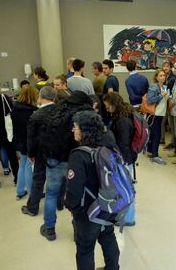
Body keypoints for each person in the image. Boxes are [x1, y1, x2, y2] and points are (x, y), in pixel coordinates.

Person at [65, 111, 120, 270]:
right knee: (108, 237)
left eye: (75, 127)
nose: (73, 130)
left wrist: (73, 208)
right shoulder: (109, 145)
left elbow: (74, 190)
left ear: (83, 130)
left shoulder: (79, 155)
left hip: (88, 211)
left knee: (85, 249)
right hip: (109, 204)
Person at [39, 91, 94, 241]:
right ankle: (77, 231)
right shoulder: (85, 114)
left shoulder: (57, 110)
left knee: (51, 194)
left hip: (55, 159)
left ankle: (49, 229)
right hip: (77, 160)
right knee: (77, 195)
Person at [22, 86, 57, 216]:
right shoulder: (61, 112)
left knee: (38, 179)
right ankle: (59, 203)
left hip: (41, 152)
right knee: (58, 178)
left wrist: (30, 154)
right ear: (54, 97)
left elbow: (30, 139)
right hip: (58, 152)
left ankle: (32, 207)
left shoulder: (35, 116)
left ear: (40, 97)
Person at [103, 92, 137, 226]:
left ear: (113, 104)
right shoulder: (122, 115)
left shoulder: (122, 121)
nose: (106, 108)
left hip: (124, 159)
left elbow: (123, 143)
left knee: (126, 189)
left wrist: (119, 161)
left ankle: (128, 219)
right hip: (126, 157)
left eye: (107, 106)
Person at [11, 85, 39, 199]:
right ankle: (32, 192)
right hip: (29, 142)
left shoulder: (15, 108)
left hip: (19, 141)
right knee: (28, 166)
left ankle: (20, 191)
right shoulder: (33, 112)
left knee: (22, 166)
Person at [146, 69, 169, 165]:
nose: (163, 77)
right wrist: (161, 96)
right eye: (160, 75)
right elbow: (150, 100)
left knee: (154, 134)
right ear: (156, 77)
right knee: (157, 135)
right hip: (154, 114)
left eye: (164, 75)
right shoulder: (153, 87)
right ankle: (155, 156)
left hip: (160, 113)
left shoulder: (164, 87)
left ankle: (151, 151)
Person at [101, 59, 120, 125]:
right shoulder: (114, 78)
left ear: (111, 69)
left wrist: (109, 111)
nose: (103, 70)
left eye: (106, 68)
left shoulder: (109, 80)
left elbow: (110, 96)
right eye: (102, 68)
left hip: (109, 112)